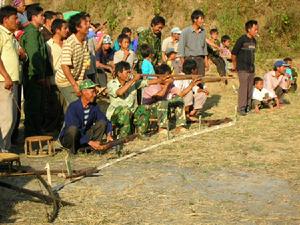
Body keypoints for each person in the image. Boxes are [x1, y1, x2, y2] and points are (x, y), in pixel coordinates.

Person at [106, 61, 166, 137]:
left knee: (143, 108)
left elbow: (148, 82)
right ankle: (123, 136)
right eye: (126, 72)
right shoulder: (112, 83)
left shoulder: (132, 83)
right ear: (119, 73)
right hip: (116, 115)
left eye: (129, 72)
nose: (129, 74)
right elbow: (120, 92)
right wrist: (133, 80)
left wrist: (162, 79)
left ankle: (141, 133)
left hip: (131, 112)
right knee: (125, 110)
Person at [20, 4, 52, 137]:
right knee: (33, 106)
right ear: (33, 17)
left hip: (39, 75)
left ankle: (37, 132)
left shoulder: (37, 32)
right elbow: (34, 57)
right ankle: (32, 134)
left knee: (39, 106)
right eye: (41, 16)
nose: (43, 18)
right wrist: (39, 76)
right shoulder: (32, 33)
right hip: (33, 76)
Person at [59, 79, 113, 154]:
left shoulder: (94, 106)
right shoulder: (73, 107)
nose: (95, 95)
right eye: (93, 92)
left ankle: (95, 147)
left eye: (95, 92)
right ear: (84, 92)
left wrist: (109, 134)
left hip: (84, 136)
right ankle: (73, 151)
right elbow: (73, 127)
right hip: (71, 139)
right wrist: (89, 141)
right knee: (73, 129)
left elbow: (104, 120)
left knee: (102, 122)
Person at [55, 12, 90, 106]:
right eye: (85, 24)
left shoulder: (85, 41)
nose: (89, 25)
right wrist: (75, 85)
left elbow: (85, 63)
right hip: (65, 81)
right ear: (78, 28)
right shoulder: (70, 43)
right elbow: (64, 66)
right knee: (77, 105)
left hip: (77, 79)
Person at [0, 6, 21, 152]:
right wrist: (6, 76)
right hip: (4, 82)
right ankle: (2, 151)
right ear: (5, 19)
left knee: (12, 119)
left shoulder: (10, 35)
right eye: (15, 18)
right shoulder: (0, 33)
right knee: (6, 119)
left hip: (12, 81)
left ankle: (5, 150)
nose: (17, 21)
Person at [143, 64, 187, 132]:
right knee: (162, 102)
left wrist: (192, 84)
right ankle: (162, 128)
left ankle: (180, 125)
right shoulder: (153, 84)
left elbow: (180, 94)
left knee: (179, 100)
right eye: (167, 76)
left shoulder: (170, 84)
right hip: (148, 109)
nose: (169, 77)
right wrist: (167, 84)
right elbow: (159, 96)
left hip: (162, 106)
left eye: (169, 75)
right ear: (159, 76)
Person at [45, 19, 69, 131]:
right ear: (57, 30)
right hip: (54, 81)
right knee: (55, 110)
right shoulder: (48, 45)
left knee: (67, 109)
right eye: (65, 28)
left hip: (67, 81)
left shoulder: (67, 44)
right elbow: (46, 64)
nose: (67, 31)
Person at [232, 20, 258, 116]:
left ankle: (248, 107)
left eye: (257, 29)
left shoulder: (254, 41)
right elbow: (233, 54)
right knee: (243, 88)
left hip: (251, 69)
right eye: (255, 29)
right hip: (242, 68)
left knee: (250, 88)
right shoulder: (242, 40)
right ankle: (241, 108)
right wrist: (235, 66)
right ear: (249, 29)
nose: (256, 31)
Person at [178, 10, 208, 77]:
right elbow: (181, 49)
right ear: (195, 19)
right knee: (190, 81)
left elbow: (204, 47)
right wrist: (184, 64)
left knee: (201, 81)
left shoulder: (203, 32)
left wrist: (206, 62)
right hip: (189, 60)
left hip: (200, 60)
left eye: (203, 19)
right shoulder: (185, 32)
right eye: (201, 19)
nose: (203, 21)